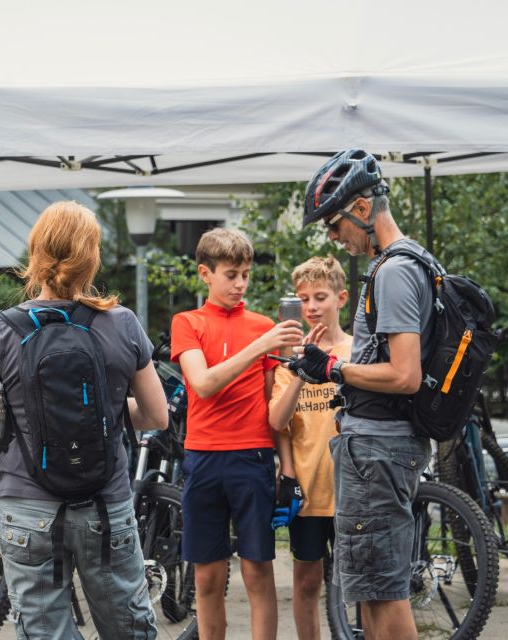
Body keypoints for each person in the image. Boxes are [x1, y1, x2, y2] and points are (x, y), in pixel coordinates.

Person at [0, 201, 169, 639]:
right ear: (92, 256)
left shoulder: (2, 328)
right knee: (129, 630)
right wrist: (107, 413)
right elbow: (157, 416)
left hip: (27, 507)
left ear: (35, 253)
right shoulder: (122, 323)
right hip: (105, 507)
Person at [291, 149, 433, 640]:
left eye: (333, 224)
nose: (333, 237)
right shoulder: (411, 262)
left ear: (362, 209)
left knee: (385, 595)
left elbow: (404, 375)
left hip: (377, 450)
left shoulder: (393, 272)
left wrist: (334, 368)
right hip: (378, 447)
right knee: (372, 591)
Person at [170, 227, 303, 640]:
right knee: (207, 579)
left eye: (246, 273)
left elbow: (274, 409)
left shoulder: (263, 326)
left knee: (258, 572)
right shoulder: (187, 322)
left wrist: (289, 466)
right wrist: (261, 346)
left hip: (253, 458)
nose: (241, 284)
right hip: (204, 457)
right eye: (231, 274)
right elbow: (203, 384)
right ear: (205, 274)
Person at [268, 256, 352, 640]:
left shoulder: (356, 352)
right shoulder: (288, 359)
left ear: (341, 298)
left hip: (352, 489)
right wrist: (301, 372)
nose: (312, 307)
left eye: (320, 297)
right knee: (306, 583)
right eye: (304, 299)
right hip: (309, 490)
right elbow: (277, 422)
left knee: (359, 587)